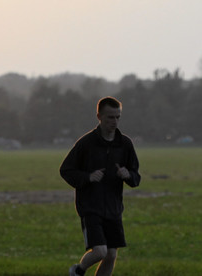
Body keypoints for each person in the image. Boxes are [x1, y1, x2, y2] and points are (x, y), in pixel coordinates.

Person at [60, 96, 141, 276]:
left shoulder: (125, 144)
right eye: (110, 117)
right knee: (100, 251)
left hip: (113, 208)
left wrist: (128, 175)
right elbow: (66, 170)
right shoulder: (86, 143)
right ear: (99, 117)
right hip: (90, 207)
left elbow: (136, 176)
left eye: (118, 117)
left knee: (111, 254)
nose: (115, 121)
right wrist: (88, 177)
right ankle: (78, 271)